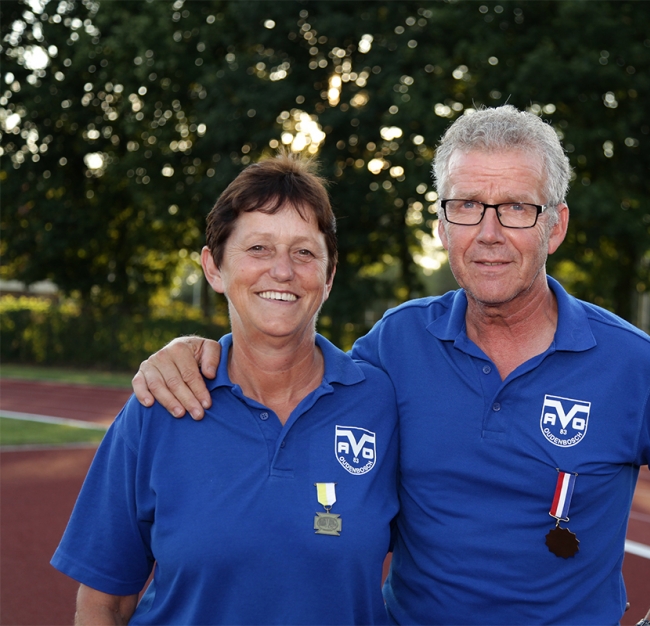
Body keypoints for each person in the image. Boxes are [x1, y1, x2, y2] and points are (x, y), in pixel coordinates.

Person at [133, 105, 650, 625]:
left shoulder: (638, 366)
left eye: (516, 207)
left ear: (555, 226)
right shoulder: (396, 344)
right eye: (467, 205)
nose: (489, 232)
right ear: (441, 225)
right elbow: (300, 377)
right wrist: (193, 350)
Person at [52, 154, 399, 625]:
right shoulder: (160, 404)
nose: (282, 271)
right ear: (214, 268)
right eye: (258, 248)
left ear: (329, 275)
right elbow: (103, 604)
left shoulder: (382, 402)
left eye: (304, 252)